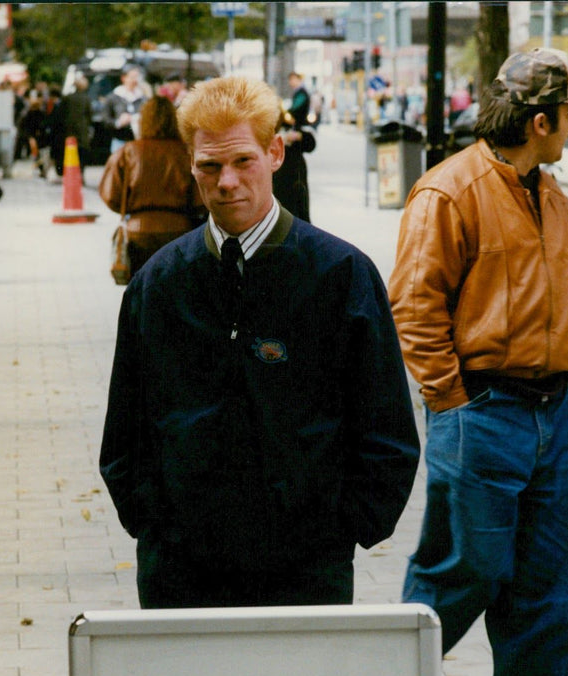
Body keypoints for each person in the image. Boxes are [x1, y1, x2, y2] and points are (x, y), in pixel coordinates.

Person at [100, 76, 419, 610]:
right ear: (190, 163)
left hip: (306, 572)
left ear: (275, 154)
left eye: (243, 161)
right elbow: (124, 432)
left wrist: (342, 528)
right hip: (182, 573)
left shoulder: (341, 276)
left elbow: (386, 425)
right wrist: (155, 524)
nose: (227, 182)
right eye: (209, 166)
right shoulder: (157, 285)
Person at [388, 49, 568, 676]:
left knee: (552, 576)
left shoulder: (553, 196)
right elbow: (415, 303)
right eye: (567, 113)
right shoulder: (448, 193)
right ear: (540, 120)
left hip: (557, 416)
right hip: (483, 409)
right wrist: (452, 400)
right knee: (462, 565)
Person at [98, 95, 204, 276]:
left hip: (138, 233)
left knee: (140, 292)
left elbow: (111, 195)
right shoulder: (187, 153)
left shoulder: (128, 151)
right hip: (180, 231)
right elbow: (200, 199)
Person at [52, 73, 92, 177]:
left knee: (69, 151)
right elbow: (89, 114)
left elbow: (60, 114)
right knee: (81, 153)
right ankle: (80, 174)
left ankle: (69, 173)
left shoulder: (67, 98)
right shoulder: (86, 98)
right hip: (82, 130)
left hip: (69, 130)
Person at [102, 66, 150, 153]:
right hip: (119, 141)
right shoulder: (113, 97)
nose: (135, 80)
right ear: (124, 78)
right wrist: (118, 122)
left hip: (138, 141)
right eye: (132, 77)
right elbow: (105, 120)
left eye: (137, 77)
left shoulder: (143, 98)